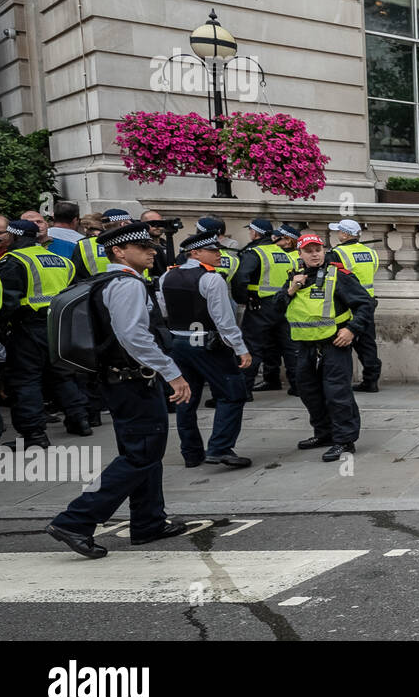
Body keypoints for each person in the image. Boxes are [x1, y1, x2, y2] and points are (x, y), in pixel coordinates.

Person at [44, 221, 193, 559]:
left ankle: (148, 522)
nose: (151, 250)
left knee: (145, 454)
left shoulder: (113, 281)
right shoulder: (126, 285)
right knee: (140, 455)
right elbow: (134, 336)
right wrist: (173, 374)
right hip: (133, 381)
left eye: (151, 245)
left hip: (123, 381)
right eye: (142, 247)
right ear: (119, 250)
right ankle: (75, 520)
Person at [156, 231, 253, 469]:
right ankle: (220, 448)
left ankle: (191, 453)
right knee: (233, 392)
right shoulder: (211, 279)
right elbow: (224, 319)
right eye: (213, 250)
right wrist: (241, 348)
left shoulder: (167, 276)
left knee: (186, 398)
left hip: (178, 342)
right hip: (206, 344)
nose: (219, 254)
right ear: (195, 253)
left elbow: (162, 310)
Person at [273, 233, 374, 461]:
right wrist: (291, 289)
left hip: (334, 344)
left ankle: (344, 440)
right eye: (308, 250)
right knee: (309, 392)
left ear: (324, 250)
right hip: (305, 345)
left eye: (317, 249)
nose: (314, 254)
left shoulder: (338, 275)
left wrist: (352, 330)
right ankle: (324, 433)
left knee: (337, 393)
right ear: (300, 254)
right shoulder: (294, 277)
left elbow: (366, 303)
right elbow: (276, 308)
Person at [0, 219, 92, 444]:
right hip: (58, 325)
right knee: (61, 374)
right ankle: (80, 420)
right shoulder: (60, 261)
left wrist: (2, 328)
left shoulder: (14, 260)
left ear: (15, 236)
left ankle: (34, 434)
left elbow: (6, 303)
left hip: (27, 327)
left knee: (25, 379)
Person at [233, 220, 300, 395]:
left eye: (251, 232)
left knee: (252, 347)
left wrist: (241, 298)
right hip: (283, 304)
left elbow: (241, 278)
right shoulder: (282, 252)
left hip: (260, 306)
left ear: (255, 233)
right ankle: (296, 385)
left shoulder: (255, 253)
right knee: (288, 347)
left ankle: (244, 390)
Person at [326, 218, 382, 392]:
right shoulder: (370, 252)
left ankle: (342, 381)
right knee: (367, 344)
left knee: (342, 342)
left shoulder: (337, 253)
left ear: (344, 234)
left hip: (347, 304)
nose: (337, 234)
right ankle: (371, 380)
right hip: (368, 302)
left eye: (339, 231)